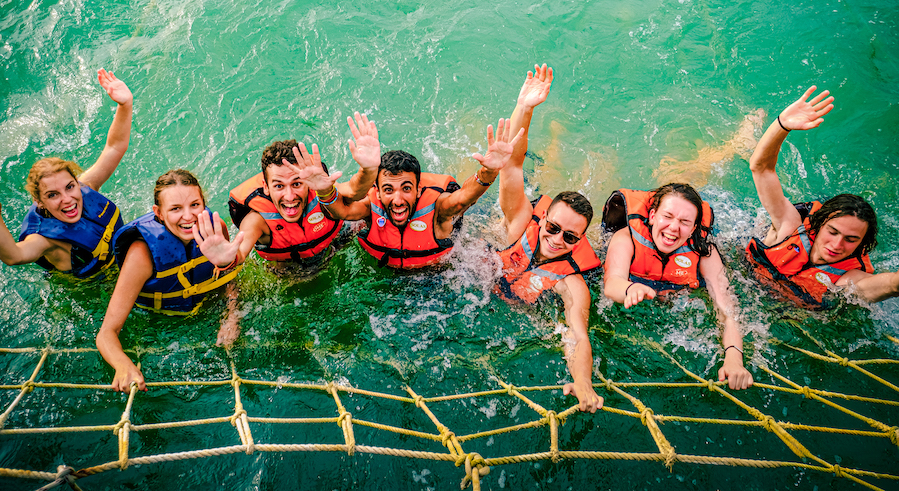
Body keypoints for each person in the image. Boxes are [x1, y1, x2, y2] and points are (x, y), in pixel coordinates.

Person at [494, 64, 604, 412]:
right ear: (543, 221)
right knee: (534, 170)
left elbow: (577, 334)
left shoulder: (572, 283)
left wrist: (584, 383)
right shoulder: (521, 224)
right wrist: (525, 107)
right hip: (512, 222)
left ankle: (558, 138)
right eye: (553, 228)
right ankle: (554, 136)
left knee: (549, 166)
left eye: (570, 237)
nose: (557, 239)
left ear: (581, 240)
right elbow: (511, 164)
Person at [0, 69, 133, 279]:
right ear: (39, 202)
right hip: (91, 288)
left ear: (76, 182)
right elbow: (14, 255)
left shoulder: (86, 187)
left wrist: (125, 105)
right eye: (52, 195)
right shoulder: (46, 240)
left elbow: (114, 147)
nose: (67, 199)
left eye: (69, 187)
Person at [285, 119, 523, 270]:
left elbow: (463, 198)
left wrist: (489, 170)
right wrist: (324, 189)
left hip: (435, 276)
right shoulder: (371, 207)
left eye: (406, 189)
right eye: (389, 190)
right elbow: (341, 211)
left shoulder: (438, 210)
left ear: (419, 189)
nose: (397, 200)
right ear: (377, 191)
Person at [747, 86, 898, 307]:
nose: (837, 244)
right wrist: (781, 125)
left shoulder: (848, 278)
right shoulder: (788, 227)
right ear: (819, 225)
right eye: (833, 232)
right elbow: (761, 168)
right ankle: (750, 126)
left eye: (851, 239)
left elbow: (892, 285)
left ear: (862, 245)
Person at [96, 170, 244, 392]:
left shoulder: (215, 229)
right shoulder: (141, 253)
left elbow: (228, 281)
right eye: (175, 209)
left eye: (195, 205)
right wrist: (122, 365)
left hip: (203, 310)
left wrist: (231, 316)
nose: (188, 216)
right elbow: (107, 332)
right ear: (159, 213)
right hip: (154, 322)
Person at [602, 183, 753, 390]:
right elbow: (612, 283)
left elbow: (727, 311)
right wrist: (630, 289)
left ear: (692, 229)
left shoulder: (704, 253)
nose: (674, 228)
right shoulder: (627, 238)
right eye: (668, 216)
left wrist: (734, 358)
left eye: (684, 222)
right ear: (653, 216)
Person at [227, 113, 380, 272]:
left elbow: (355, 191)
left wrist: (369, 168)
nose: (290, 196)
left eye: (297, 183)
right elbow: (240, 251)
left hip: (335, 242)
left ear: (307, 183)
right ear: (266, 187)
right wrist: (227, 260)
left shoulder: (321, 194)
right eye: (279, 186)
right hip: (288, 267)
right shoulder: (257, 220)